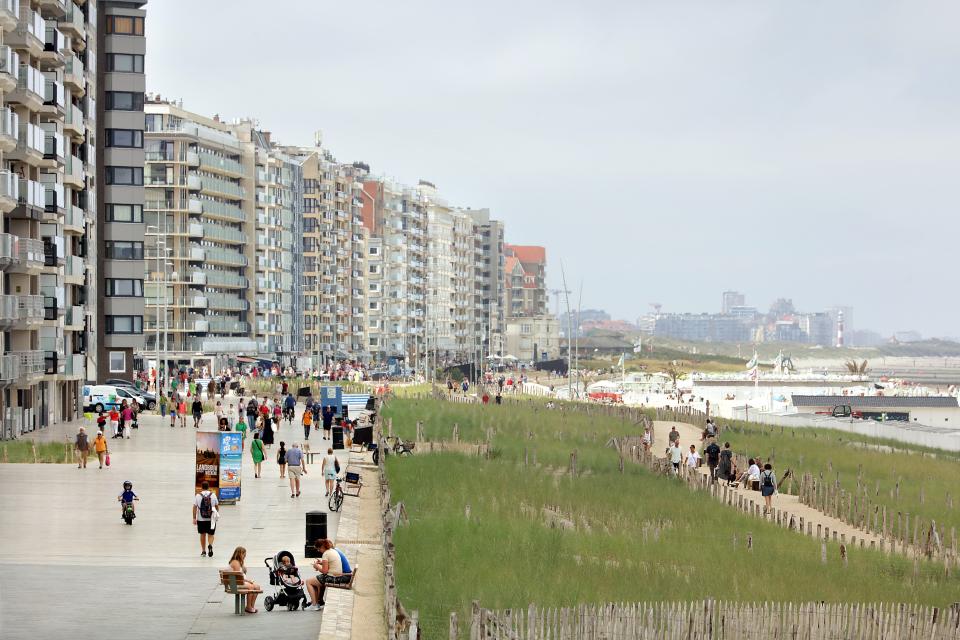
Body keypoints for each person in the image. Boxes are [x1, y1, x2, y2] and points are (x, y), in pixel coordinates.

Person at [304, 538, 352, 611]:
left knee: (308, 581)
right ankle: (316, 603)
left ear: (322, 547)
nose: (318, 551)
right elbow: (331, 564)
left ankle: (314, 604)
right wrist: (321, 563)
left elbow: (324, 571)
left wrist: (317, 566)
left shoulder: (325, 554)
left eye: (318, 549)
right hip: (338, 576)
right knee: (314, 581)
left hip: (333, 578)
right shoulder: (332, 551)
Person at [227, 547, 261, 614]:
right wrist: (248, 581)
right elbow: (238, 577)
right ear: (239, 554)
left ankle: (251, 606)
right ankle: (248, 607)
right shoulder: (235, 562)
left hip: (239, 582)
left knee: (257, 587)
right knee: (251, 586)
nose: (245, 556)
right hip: (234, 584)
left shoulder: (238, 562)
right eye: (243, 554)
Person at [193, 480, 219, 557]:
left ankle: (203, 551)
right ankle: (210, 545)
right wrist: (215, 514)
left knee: (202, 534)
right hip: (211, 519)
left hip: (201, 519)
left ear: (201, 487)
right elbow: (217, 506)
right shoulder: (213, 495)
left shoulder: (198, 495)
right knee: (211, 534)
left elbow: (194, 507)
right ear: (208, 487)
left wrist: (194, 518)